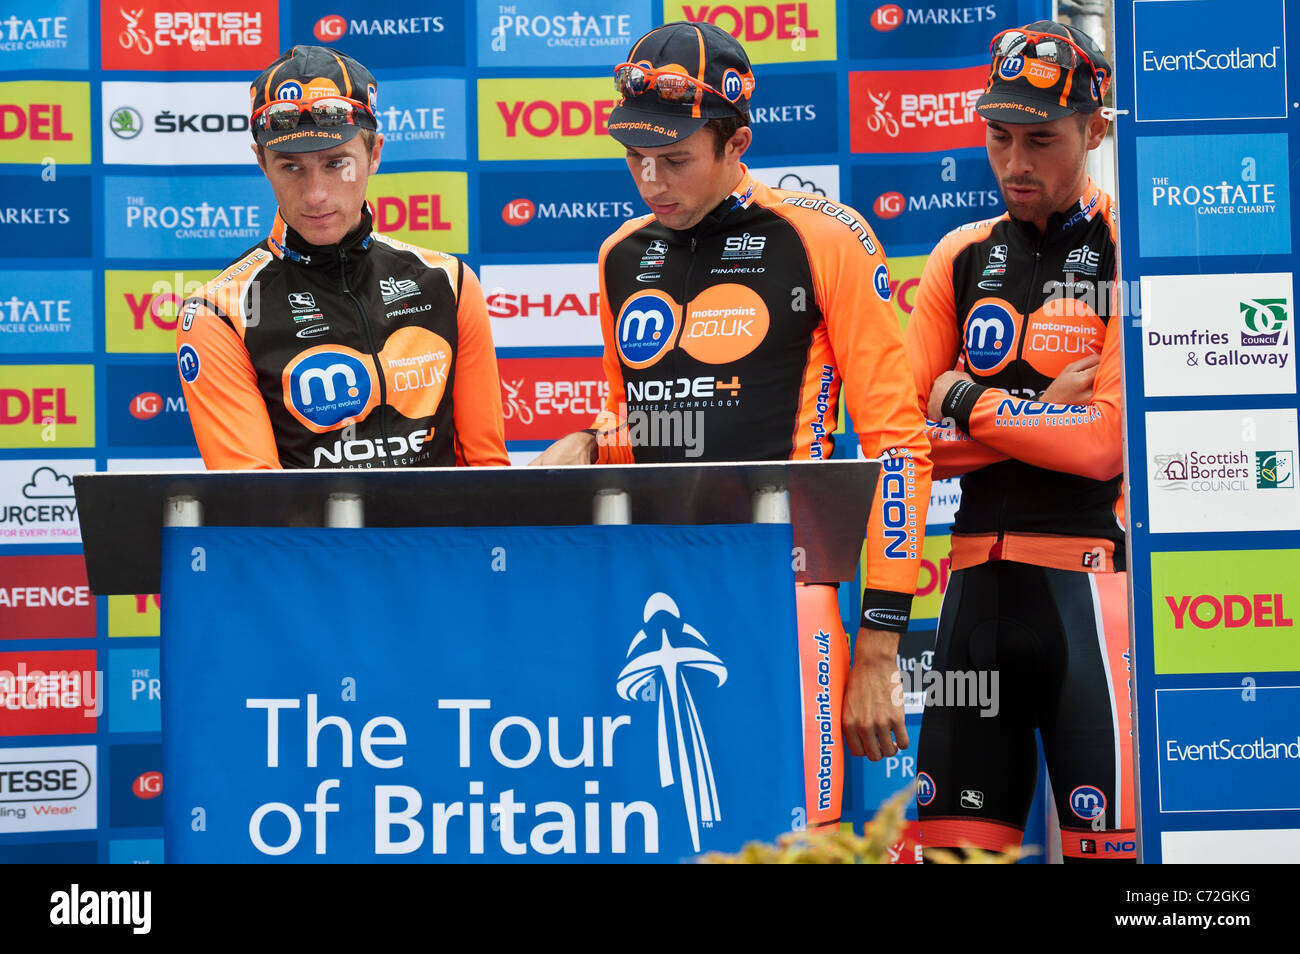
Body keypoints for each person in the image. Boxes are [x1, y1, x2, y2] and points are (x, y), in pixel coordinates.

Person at [531, 21, 932, 832]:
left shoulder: (823, 236)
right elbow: (642, 431)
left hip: (788, 587)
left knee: (799, 835)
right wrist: (588, 443)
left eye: (674, 158)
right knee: (664, 828)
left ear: (736, 141)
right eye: (635, 156)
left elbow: (898, 444)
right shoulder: (619, 256)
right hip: (658, 587)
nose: (651, 180)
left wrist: (881, 643)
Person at [904, 21, 1133, 861]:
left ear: (1095, 132)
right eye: (998, 138)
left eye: (1041, 140)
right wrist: (1037, 415)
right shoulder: (958, 257)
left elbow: (1107, 446)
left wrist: (966, 397)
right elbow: (905, 443)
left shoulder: (1126, 246)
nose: (1014, 164)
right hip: (971, 605)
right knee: (957, 858)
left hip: (1093, 600)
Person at [177, 45, 507, 470]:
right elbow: (255, 507)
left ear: (374, 155)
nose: (315, 195)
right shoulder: (219, 312)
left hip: (438, 538)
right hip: (309, 540)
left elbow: (487, 475)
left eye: (336, 164)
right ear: (261, 162)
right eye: (291, 167)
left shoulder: (449, 282)